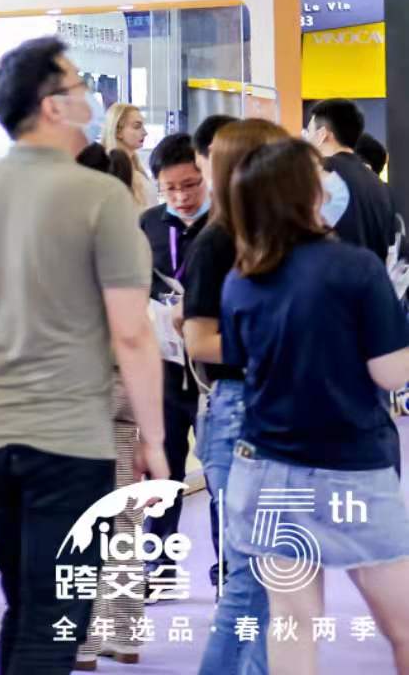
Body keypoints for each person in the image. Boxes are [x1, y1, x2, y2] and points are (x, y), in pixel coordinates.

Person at [0, 36, 167, 675]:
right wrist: (155, 439)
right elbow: (132, 333)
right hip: (68, 440)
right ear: (52, 105)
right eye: (78, 84)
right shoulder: (102, 198)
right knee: (55, 618)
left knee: (25, 603)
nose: (89, 95)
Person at [220, 138, 409, 675]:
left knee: (291, 623)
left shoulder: (241, 277)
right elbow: (391, 373)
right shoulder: (356, 268)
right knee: (403, 627)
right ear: (306, 191)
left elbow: (241, 364)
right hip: (350, 468)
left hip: (264, 469)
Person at [181, 118, 284, 675]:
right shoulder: (218, 241)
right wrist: (283, 339)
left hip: (275, 409)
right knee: (250, 577)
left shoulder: (278, 237)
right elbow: (200, 340)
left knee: (266, 576)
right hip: (240, 409)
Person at [138, 132, 210, 578]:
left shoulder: (227, 224)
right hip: (162, 369)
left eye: (190, 185)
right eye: (171, 188)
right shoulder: (146, 225)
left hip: (213, 371)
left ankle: (227, 571)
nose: (181, 197)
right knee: (162, 471)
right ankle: (158, 562)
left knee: (220, 474)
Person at [306, 98, 396, 260]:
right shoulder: (380, 186)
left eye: (309, 132)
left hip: (333, 272)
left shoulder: (319, 175)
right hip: (374, 273)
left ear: (322, 134)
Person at [103, 102, 157, 206]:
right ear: (118, 132)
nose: (145, 133)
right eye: (137, 126)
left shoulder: (137, 168)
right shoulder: (109, 170)